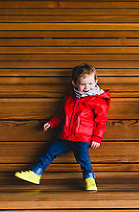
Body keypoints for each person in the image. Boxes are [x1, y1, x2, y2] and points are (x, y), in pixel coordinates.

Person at [15, 63, 110, 192]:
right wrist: (52, 123)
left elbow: (101, 121)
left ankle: (90, 180)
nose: (87, 87)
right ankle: (35, 173)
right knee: (50, 152)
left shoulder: (97, 100)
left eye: (90, 83)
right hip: (65, 135)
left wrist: (97, 137)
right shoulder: (69, 99)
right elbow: (61, 115)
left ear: (96, 81)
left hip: (82, 137)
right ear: (74, 83)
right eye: (83, 84)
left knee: (83, 160)